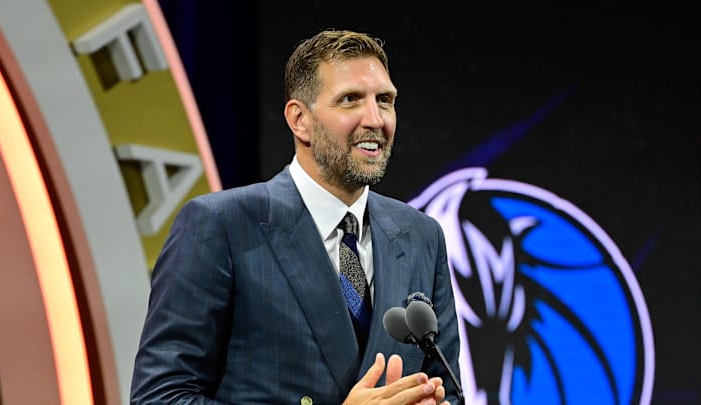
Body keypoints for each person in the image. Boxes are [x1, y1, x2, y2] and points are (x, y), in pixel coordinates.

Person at [130, 28, 462, 404]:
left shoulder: (421, 235)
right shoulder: (221, 225)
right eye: (350, 100)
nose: (375, 119)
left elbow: (447, 390)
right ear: (299, 119)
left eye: (384, 100)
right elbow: (161, 396)